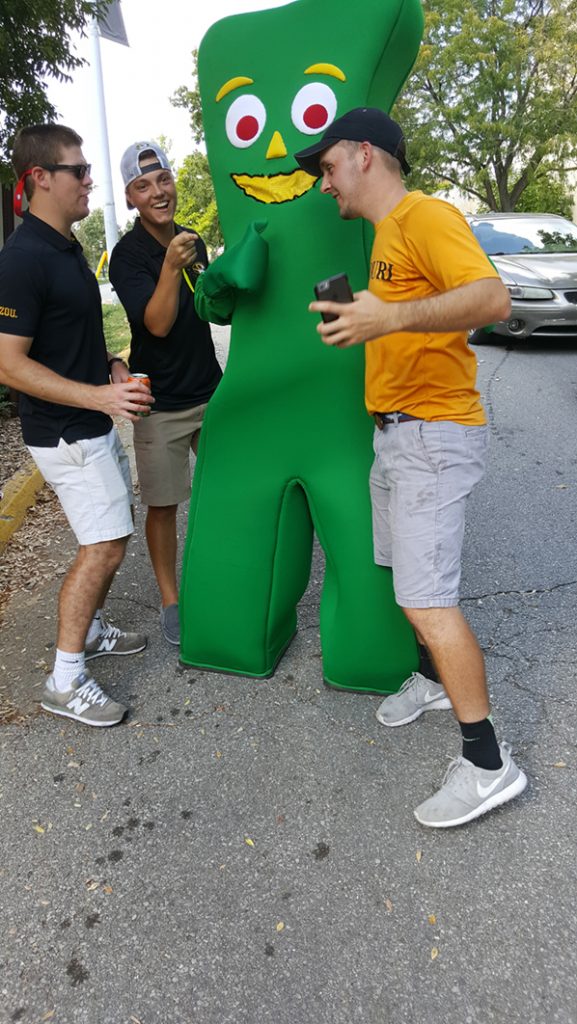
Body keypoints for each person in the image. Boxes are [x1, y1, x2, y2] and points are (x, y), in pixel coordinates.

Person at [295, 108, 528, 828]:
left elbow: (492, 298)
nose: (322, 182)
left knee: (429, 600)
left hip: (432, 435)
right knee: (407, 580)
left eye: (327, 165)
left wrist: (388, 320)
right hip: (396, 437)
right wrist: (369, 325)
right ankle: (431, 681)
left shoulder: (424, 214)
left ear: (365, 154)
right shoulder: (386, 236)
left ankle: (488, 763)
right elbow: (413, 317)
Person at [0, 123, 154, 727]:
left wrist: (111, 368)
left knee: (109, 536)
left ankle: (87, 631)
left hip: (90, 420)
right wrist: (95, 397)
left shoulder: (65, 246)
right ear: (41, 178)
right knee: (105, 545)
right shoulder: (22, 260)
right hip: (66, 432)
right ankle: (65, 681)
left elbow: (71, 337)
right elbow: (9, 364)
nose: (91, 181)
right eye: (79, 170)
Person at [109, 141, 222, 646]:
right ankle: (171, 600)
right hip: (160, 405)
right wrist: (172, 267)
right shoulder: (127, 256)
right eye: (143, 185)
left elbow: (209, 309)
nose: (158, 191)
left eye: (164, 180)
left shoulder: (190, 239)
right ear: (131, 198)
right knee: (164, 504)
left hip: (212, 391)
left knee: (228, 488)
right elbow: (155, 324)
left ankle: (227, 578)